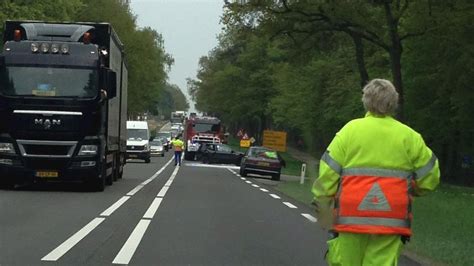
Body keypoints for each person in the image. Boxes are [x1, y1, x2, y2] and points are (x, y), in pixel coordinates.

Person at [312, 79, 440, 265]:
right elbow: (430, 178)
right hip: (392, 221)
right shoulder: (410, 137)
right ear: (394, 103)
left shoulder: (349, 131)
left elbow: (328, 173)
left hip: (350, 218)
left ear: (366, 100)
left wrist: (322, 201)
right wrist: (412, 190)